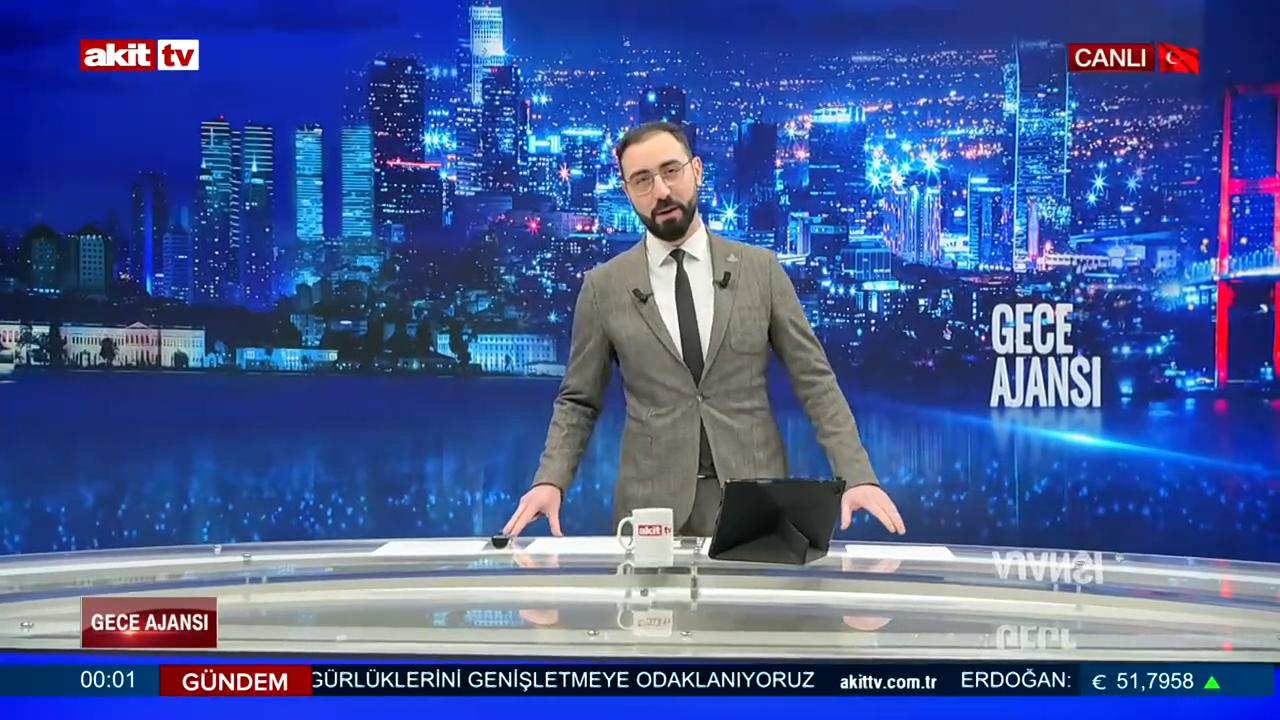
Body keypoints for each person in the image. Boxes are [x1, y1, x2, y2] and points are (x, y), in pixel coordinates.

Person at [503, 121, 904, 539]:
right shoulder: (604, 288)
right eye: (642, 180)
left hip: (755, 502)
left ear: (696, 171)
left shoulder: (761, 271)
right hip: (650, 509)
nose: (661, 191)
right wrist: (550, 481)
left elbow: (815, 381)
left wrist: (857, 474)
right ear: (627, 192)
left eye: (670, 171)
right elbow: (578, 401)